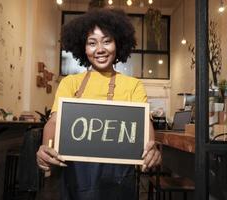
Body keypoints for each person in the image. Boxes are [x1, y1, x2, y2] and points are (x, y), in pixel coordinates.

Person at [36, 8, 161, 200]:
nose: (100, 49)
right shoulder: (70, 83)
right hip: (76, 178)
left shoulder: (133, 85)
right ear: (83, 48)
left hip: (119, 182)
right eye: (92, 43)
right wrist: (46, 147)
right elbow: (55, 121)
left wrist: (151, 148)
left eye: (107, 41)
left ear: (118, 43)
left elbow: (144, 126)